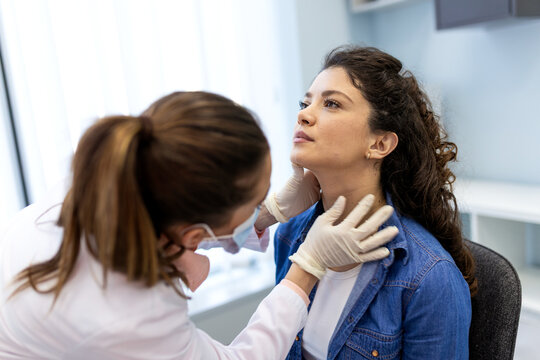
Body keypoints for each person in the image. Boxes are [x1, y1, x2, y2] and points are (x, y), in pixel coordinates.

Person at [0, 91, 399, 359]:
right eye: (255, 200)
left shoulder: (110, 179)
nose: (304, 114)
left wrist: (263, 215)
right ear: (195, 235)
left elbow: (163, 222)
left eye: (332, 103)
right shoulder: (130, 314)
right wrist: (306, 268)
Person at [270, 46, 477, 359]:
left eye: (331, 103)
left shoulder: (430, 279)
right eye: (305, 102)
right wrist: (268, 214)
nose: (303, 114)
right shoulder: (288, 235)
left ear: (380, 143)